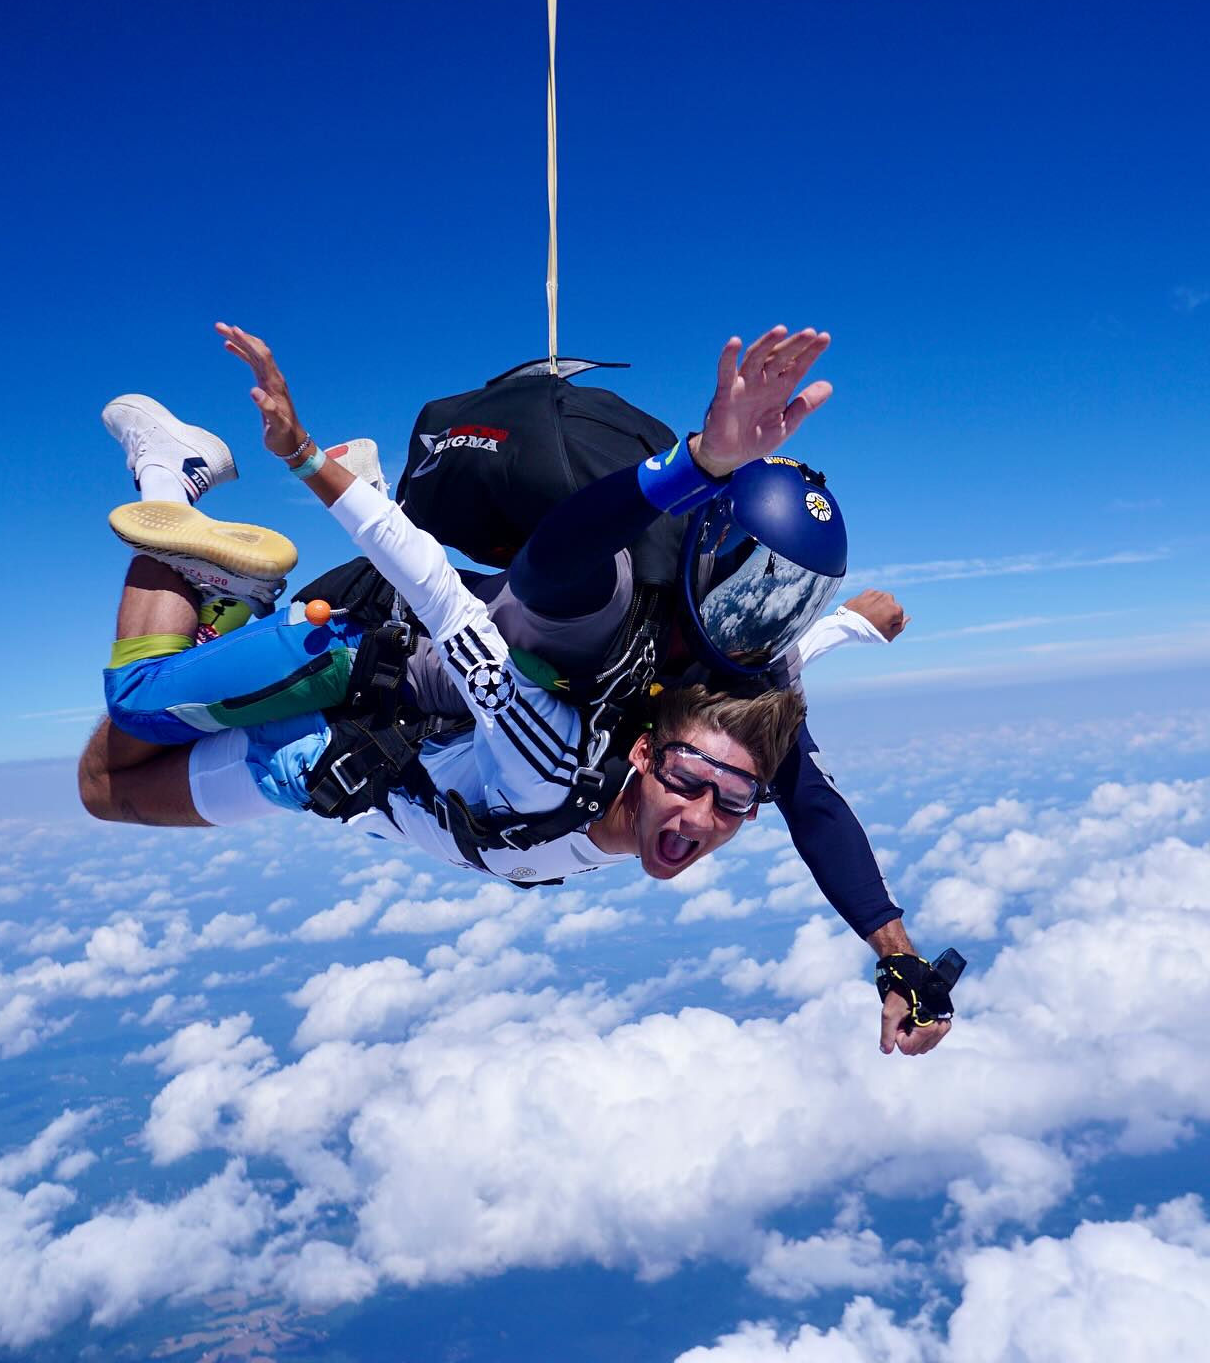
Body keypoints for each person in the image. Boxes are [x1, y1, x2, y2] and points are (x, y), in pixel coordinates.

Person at [79, 325, 952, 1056]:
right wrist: (701, 462)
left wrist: (896, 956)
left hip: (355, 762)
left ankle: (229, 601)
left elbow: (813, 803)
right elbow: (552, 555)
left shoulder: (742, 675)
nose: (760, 624)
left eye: (792, 600)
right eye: (754, 588)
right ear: (708, 547)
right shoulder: (604, 603)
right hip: (355, 659)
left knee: (112, 792)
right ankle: (175, 478)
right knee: (131, 713)